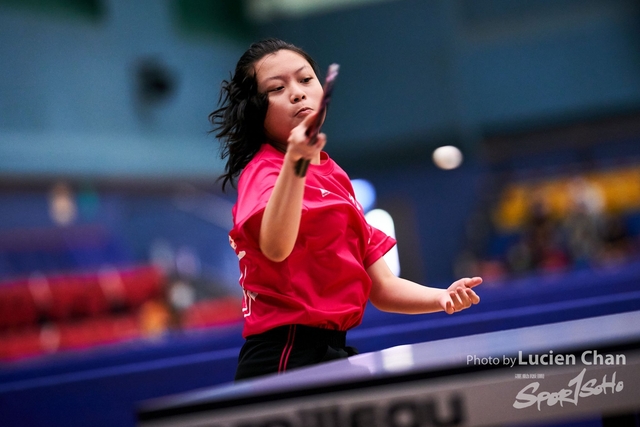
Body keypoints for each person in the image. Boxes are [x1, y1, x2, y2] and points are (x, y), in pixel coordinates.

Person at [209, 38, 482, 381]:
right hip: (284, 356)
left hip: (333, 350)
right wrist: (296, 161)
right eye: (277, 88)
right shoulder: (263, 172)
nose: (296, 92)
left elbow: (381, 286)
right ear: (255, 110)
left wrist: (442, 297)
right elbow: (276, 248)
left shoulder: (335, 176)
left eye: (306, 80)